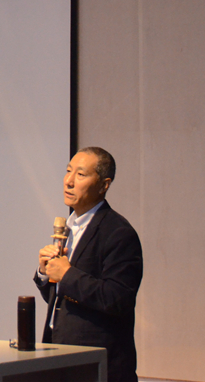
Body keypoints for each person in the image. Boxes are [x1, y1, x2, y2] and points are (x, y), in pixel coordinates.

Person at [34, 147, 143, 382]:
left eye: (81, 174)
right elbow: (66, 298)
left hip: (98, 365)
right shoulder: (69, 228)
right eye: (68, 171)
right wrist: (45, 273)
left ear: (104, 185)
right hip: (59, 356)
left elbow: (118, 298)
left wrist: (67, 274)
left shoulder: (119, 233)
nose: (69, 181)